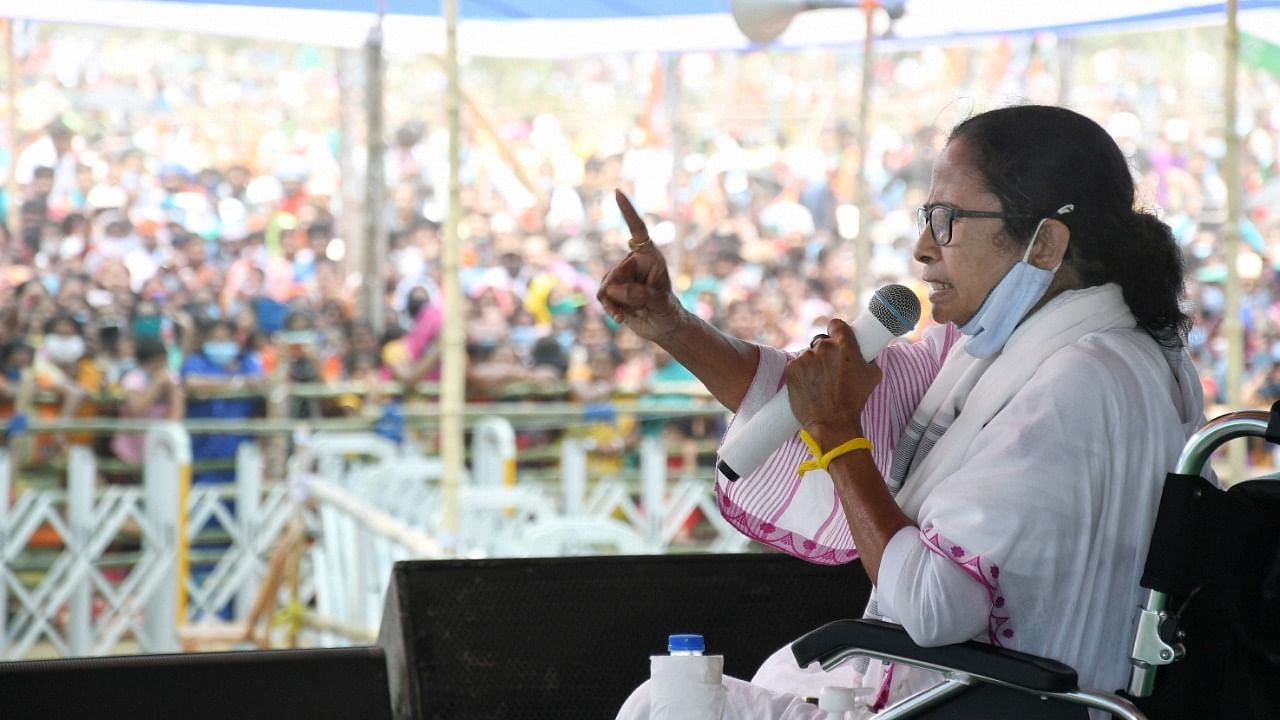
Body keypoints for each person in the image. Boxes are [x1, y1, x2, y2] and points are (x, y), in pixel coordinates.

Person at [600, 105, 1205, 718]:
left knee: (666, 703)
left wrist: (837, 438)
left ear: (1045, 242)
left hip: (984, 703)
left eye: (945, 220)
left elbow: (933, 604)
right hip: (975, 694)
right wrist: (674, 327)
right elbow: (849, 400)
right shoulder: (1019, 348)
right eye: (925, 218)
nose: (922, 249)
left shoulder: (1077, 382)